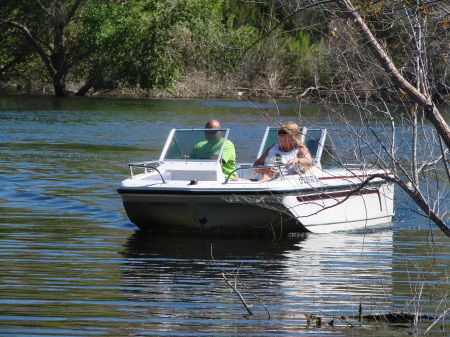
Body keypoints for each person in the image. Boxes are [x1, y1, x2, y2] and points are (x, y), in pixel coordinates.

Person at [234, 121, 312, 181]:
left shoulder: (299, 150)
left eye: (282, 133)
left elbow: (309, 162)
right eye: (278, 133)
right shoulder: (272, 148)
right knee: (235, 180)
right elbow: (256, 164)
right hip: (261, 180)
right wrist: (262, 169)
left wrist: (297, 160)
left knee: (264, 178)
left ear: (292, 136)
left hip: (279, 182)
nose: (278, 135)